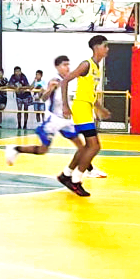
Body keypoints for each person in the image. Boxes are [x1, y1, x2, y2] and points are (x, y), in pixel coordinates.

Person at [4, 56, 104, 195]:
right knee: (43, 150)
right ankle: (16, 149)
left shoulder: (71, 80)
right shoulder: (55, 80)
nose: (67, 67)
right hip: (53, 120)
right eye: (64, 65)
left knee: (82, 147)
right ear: (57, 67)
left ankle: (81, 172)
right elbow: (43, 98)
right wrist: (49, 89)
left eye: (68, 64)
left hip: (66, 120)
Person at [59, 35, 111, 195]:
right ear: (96, 47)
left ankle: (66, 175)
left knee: (86, 147)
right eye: (105, 46)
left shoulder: (97, 67)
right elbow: (64, 81)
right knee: (94, 146)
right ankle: (76, 181)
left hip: (87, 108)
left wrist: (99, 108)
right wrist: (65, 105)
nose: (107, 49)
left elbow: (90, 92)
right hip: (81, 108)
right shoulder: (86, 64)